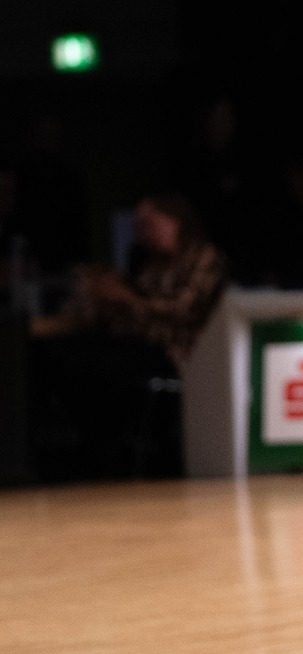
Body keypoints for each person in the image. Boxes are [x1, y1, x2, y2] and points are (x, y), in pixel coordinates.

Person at [29, 193, 225, 478]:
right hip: (136, 341)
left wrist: (126, 298)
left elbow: (183, 311)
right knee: (67, 356)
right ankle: (93, 449)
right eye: (139, 227)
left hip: (176, 351)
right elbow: (126, 310)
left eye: (149, 224)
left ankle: (112, 450)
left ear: (174, 222)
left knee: (104, 366)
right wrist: (100, 294)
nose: (143, 234)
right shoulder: (150, 262)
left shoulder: (203, 258)